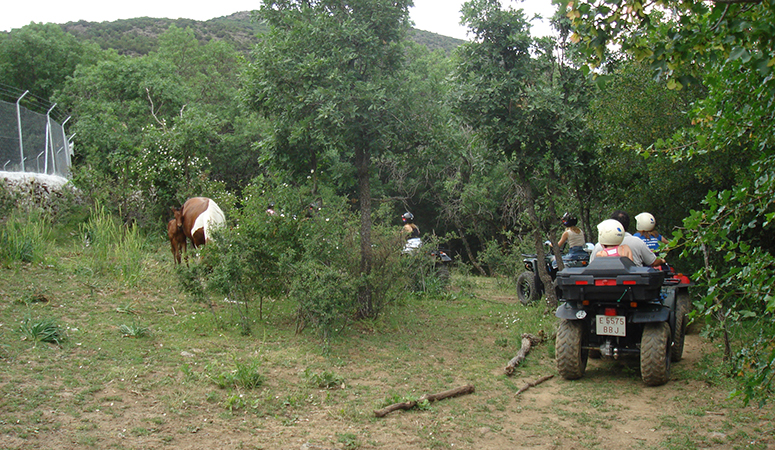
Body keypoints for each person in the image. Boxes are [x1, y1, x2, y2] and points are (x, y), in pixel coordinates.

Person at [590, 210, 666, 267]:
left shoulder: (598, 247)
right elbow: (652, 262)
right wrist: (662, 260)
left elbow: (591, 267)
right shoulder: (636, 242)